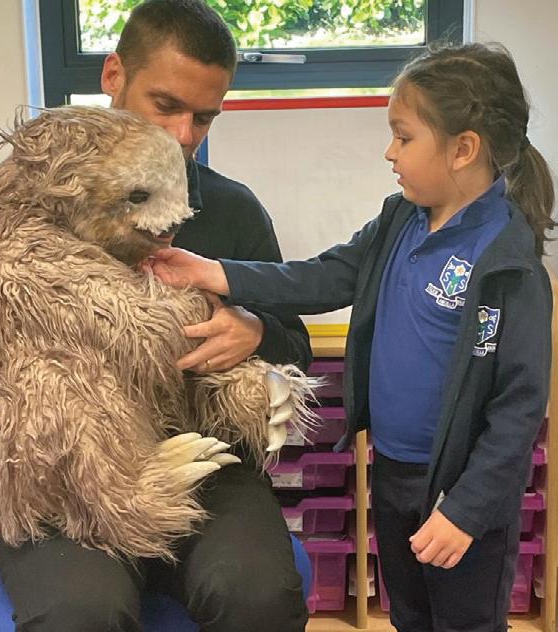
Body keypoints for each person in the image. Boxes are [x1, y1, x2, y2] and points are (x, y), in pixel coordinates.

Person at [150, 42, 555, 632]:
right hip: (392, 472)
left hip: (462, 490)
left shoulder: (508, 263)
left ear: (463, 149)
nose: (390, 152)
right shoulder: (398, 220)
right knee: (409, 615)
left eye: (404, 137)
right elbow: (321, 276)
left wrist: (467, 511)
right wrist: (215, 272)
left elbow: (518, 409)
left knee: (465, 623)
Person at [0, 1, 312, 631]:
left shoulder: (233, 210)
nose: (184, 135)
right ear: (113, 76)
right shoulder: (16, 204)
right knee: (80, 614)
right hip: (65, 469)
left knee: (257, 597)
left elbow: (294, 345)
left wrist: (256, 332)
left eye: (204, 116)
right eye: (166, 105)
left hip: (204, 459)